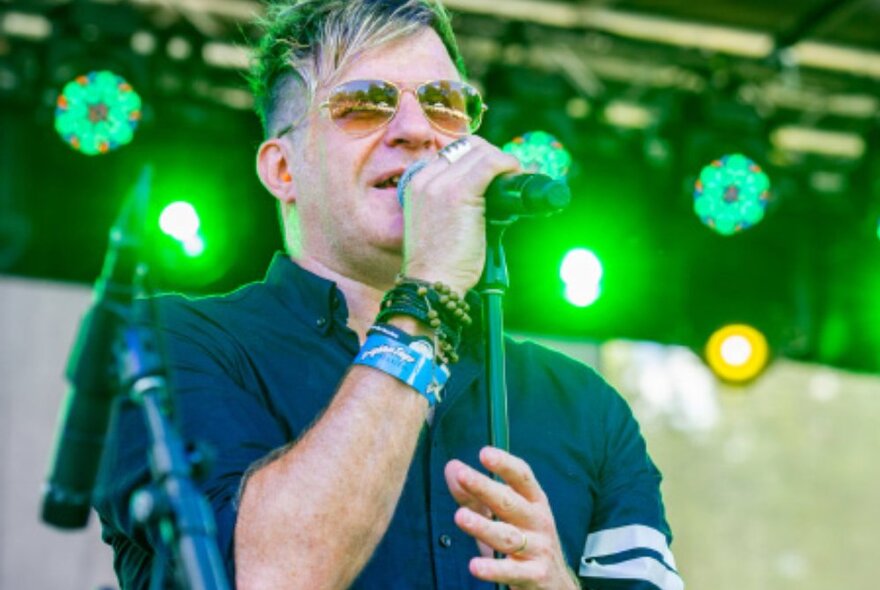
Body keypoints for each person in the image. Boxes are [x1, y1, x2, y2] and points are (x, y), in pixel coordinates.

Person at [95, 1, 683, 589]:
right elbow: (269, 577)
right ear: (283, 169)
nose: (417, 130)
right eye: (365, 104)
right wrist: (425, 294)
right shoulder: (161, 348)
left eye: (444, 105)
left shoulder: (585, 408)